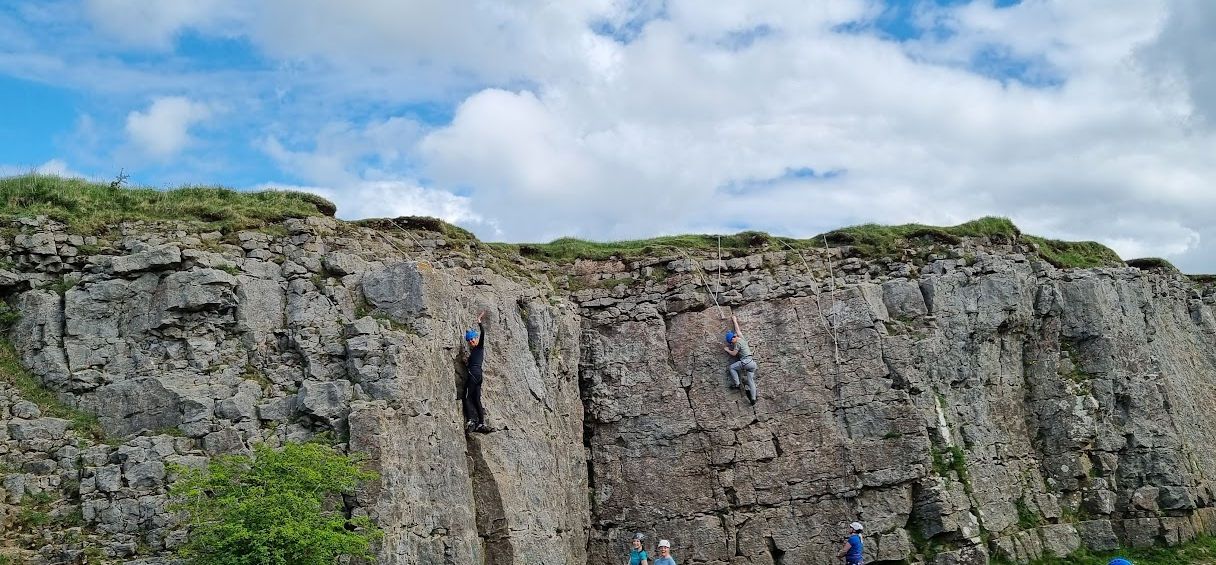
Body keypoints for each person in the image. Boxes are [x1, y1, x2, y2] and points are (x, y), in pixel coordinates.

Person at [462, 311, 490, 433]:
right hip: (478, 375)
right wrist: (466, 362)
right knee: (476, 399)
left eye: (472, 340)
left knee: (466, 397)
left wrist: (479, 322)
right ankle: (481, 423)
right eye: (469, 341)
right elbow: (472, 363)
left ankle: (471, 420)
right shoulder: (475, 352)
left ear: (476, 339)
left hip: (474, 375)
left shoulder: (479, 346)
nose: (471, 342)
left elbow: (483, 334)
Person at [722, 315, 758, 404]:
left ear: (733, 338)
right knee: (751, 381)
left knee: (732, 368)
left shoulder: (737, 343)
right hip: (752, 364)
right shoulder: (742, 338)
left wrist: (727, 350)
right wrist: (735, 320)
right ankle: (753, 398)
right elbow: (738, 330)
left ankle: (737, 384)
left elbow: (734, 354)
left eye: (731, 341)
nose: (731, 343)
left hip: (746, 362)